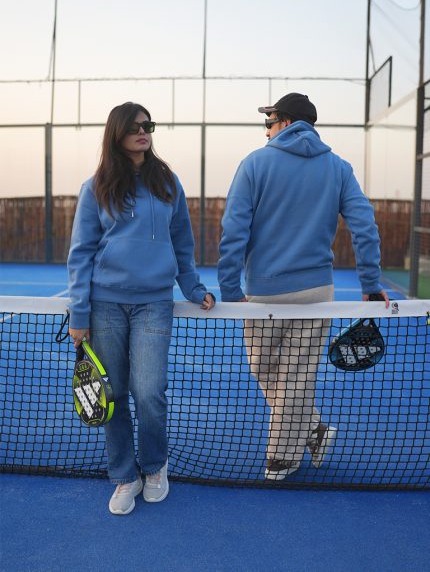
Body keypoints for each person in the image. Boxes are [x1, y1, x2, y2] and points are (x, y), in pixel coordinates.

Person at [217, 92, 389, 481]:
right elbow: (365, 226)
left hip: (268, 294)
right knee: (274, 372)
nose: (266, 130)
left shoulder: (254, 164)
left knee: (285, 374)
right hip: (314, 293)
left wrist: (230, 290)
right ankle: (313, 428)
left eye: (269, 121)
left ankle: (280, 459)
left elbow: (233, 231)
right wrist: (370, 282)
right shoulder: (339, 167)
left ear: (286, 122)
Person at [68, 101, 215, 514]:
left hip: (154, 303)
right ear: (116, 133)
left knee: (149, 392)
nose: (143, 132)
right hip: (105, 305)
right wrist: (79, 313)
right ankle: (124, 476)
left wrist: (192, 286)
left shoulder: (168, 182)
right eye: (134, 127)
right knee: (112, 394)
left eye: (148, 126)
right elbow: (80, 253)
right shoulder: (95, 187)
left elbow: (182, 241)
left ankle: (154, 466)